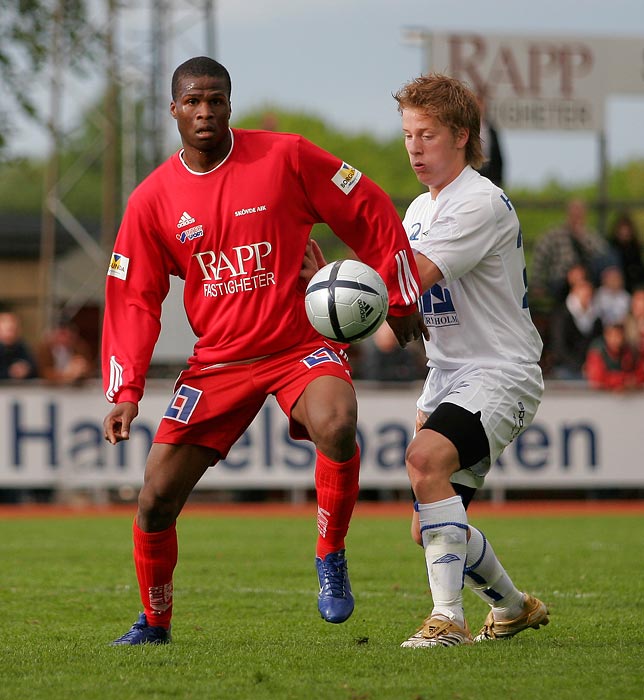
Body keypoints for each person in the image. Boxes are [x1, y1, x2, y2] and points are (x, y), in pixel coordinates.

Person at [102, 56, 426, 646]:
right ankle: (154, 623)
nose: (205, 112)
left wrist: (400, 299)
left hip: (296, 344)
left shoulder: (286, 157)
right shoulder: (151, 200)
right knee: (153, 500)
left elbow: (369, 207)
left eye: (217, 101)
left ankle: (330, 555)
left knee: (337, 423)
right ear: (173, 109)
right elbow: (132, 299)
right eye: (194, 102)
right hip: (218, 361)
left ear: (231, 104)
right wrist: (124, 390)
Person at [392, 73, 549, 648]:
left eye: (426, 134)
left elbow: (415, 279)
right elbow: (404, 298)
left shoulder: (478, 201)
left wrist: (347, 289)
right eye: (408, 134)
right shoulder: (417, 209)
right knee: (427, 527)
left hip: (499, 369)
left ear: (461, 135)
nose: (413, 146)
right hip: (448, 373)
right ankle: (512, 608)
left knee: (424, 459)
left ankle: (447, 622)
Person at [530, 198, 612, 307]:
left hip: (587, 280)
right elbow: (539, 258)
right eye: (574, 213)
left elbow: (604, 255)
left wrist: (582, 237)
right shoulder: (554, 235)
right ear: (568, 214)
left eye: (580, 214)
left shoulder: (590, 236)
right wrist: (537, 283)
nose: (576, 217)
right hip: (560, 281)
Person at [549, 277, 603, 380]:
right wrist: (578, 365)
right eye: (582, 293)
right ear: (574, 293)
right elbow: (559, 346)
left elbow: (597, 344)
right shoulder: (562, 315)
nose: (586, 297)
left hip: (589, 367)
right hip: (566, 367)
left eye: (589, 294)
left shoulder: (596, 318)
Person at [584, 322, 644, 392]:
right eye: (614, 336)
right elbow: (597, 379)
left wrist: (630, 382)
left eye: (620, 335)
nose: (617, 340)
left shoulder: (628, 351)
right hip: (600, 397)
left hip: (627, 397)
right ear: (606, 336)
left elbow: (639, 374)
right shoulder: (597, 351)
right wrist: (623, 381)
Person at [37, 321, 95, 385]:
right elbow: (43, 372)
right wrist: (66, 374)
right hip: (51, 388)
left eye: (67, 335)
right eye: (61, 334)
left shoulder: (80, 348)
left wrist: (81, 370)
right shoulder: (45, 350)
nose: (63, 338)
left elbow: (89, 370)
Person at [607, 211, 644, 294]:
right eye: (622, 229)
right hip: (620, 282)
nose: (624, 232)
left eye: (626, 229)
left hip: (635, 282)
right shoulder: (613, 247)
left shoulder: (635, 247)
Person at [474, 92, 503, 187]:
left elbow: (498, 156)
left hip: (489, 175)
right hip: (473, 173)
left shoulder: (491, 129)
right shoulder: (466, 128)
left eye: (481, 105)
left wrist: (498, 179)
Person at [0, 311, 38, 381]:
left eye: (14, 329)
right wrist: (10, 373)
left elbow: (35, 369)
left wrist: (26, 369)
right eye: (8, 329)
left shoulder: (22, 347)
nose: (11, 333)